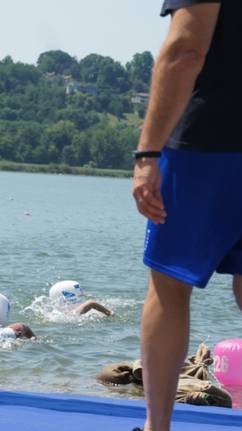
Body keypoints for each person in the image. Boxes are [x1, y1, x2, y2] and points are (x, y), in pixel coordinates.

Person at [132, 2, 241, 430]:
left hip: (209, 144)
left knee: (168, 286)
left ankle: (157, 427)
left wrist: (147, 153)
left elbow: (185, 49)